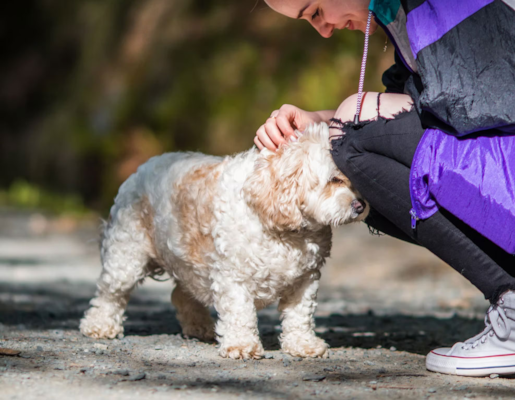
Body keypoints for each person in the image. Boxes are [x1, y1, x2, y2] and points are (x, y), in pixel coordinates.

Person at [256, 0, 515, 377]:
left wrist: (343, 122)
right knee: (356, 152)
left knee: (352, 137)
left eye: (314, 12)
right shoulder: (402, 16)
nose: (323, 29)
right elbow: (408, 112)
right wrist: (316, 120)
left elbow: (487, 104)